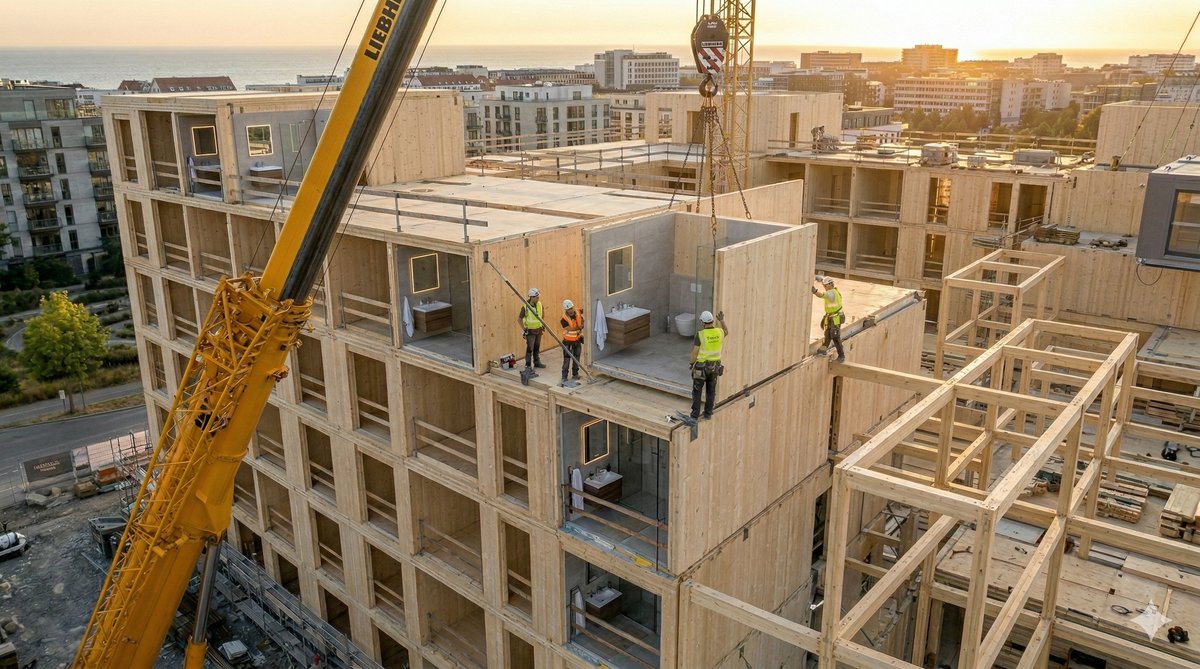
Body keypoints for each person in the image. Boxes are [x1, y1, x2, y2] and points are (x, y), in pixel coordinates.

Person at [689, 310, 727, 420]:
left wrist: (691, 363)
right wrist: (722, 320)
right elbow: (726, 331)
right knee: (711, 391)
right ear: (712, 321)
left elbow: (695, 353)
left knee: (697, 390)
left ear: (703, 322)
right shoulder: (719, 332)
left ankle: (695, 415)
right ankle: (708, 414)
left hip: (701, 368)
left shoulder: (700, 335)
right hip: (715, 367)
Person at [812, 275, 845, 362]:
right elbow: (824, 279)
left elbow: (821, 295)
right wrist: (818, 278)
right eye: (824, 286)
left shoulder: (831, 293)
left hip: (836, 318)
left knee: (835, 336)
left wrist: (814, 291)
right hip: (830, 316)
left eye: (825, 286)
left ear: (830, 284)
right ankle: (823, 349)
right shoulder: (832, 289)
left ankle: (841, 355)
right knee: (827, 334)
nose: (825, 287)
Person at [518, 288, 546, 370]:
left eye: (538, 297)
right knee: (530, 348)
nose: (538, 299)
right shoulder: (525, 307)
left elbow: (542, 315)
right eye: (537, 297)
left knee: (537, 346)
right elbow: (519, 320)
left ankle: (537, 362)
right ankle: (528, 365)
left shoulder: (539, 304)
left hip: (539, 329)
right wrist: (524, 329)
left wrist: (542, 324)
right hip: (530, 331)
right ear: (531, 297)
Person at [560, 298, 584, 383]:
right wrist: (579, 327)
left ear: (573, 307)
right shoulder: (564, 319)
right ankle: (564, 377)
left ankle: (575, 374)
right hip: (568, 341)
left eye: (571, 308)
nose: (570, 310)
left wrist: (583, 323)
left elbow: (585, 310)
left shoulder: (577, 311)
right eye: (568, 309)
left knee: (577, 358)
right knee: (567, 359)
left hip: (577, 340)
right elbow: (569, 328)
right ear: (565, 310)